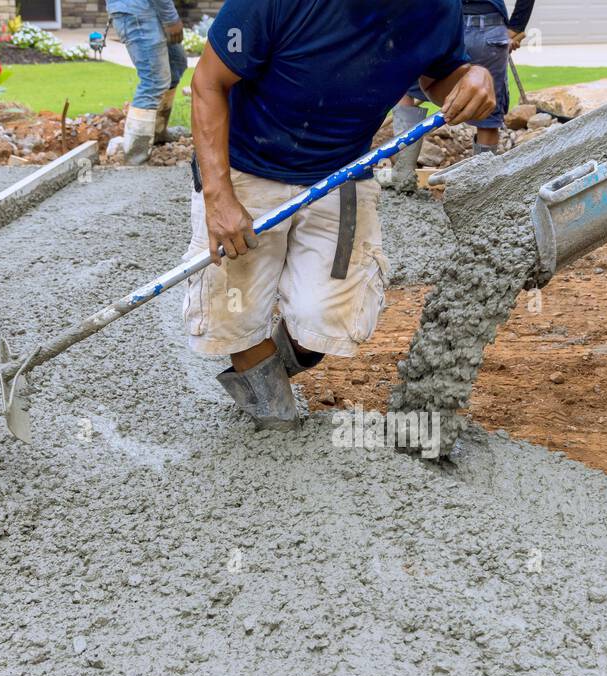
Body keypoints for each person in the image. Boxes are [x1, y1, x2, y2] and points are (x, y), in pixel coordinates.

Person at [187, 0, 495, 430]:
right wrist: (218, 197)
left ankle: (264, 373)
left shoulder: (436, 8)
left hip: (340, 174)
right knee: (235, 313)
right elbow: (207, 82)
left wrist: (472, 77)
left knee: (327, 321)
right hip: (244, 167)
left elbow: (441, 73)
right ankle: (276, 420)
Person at [391, 0, 536, 189]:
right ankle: (481, 191)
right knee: (487, 116)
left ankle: (403, 178)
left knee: (404, 88)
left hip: (445, 22)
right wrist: (515, 28)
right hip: (487, 28)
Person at [108, 0, 190, 165]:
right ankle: (135, 154)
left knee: (176, 64)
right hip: (137, 11)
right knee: (154, 79)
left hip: (150, 9)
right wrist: (171, 18)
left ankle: (157, 132)